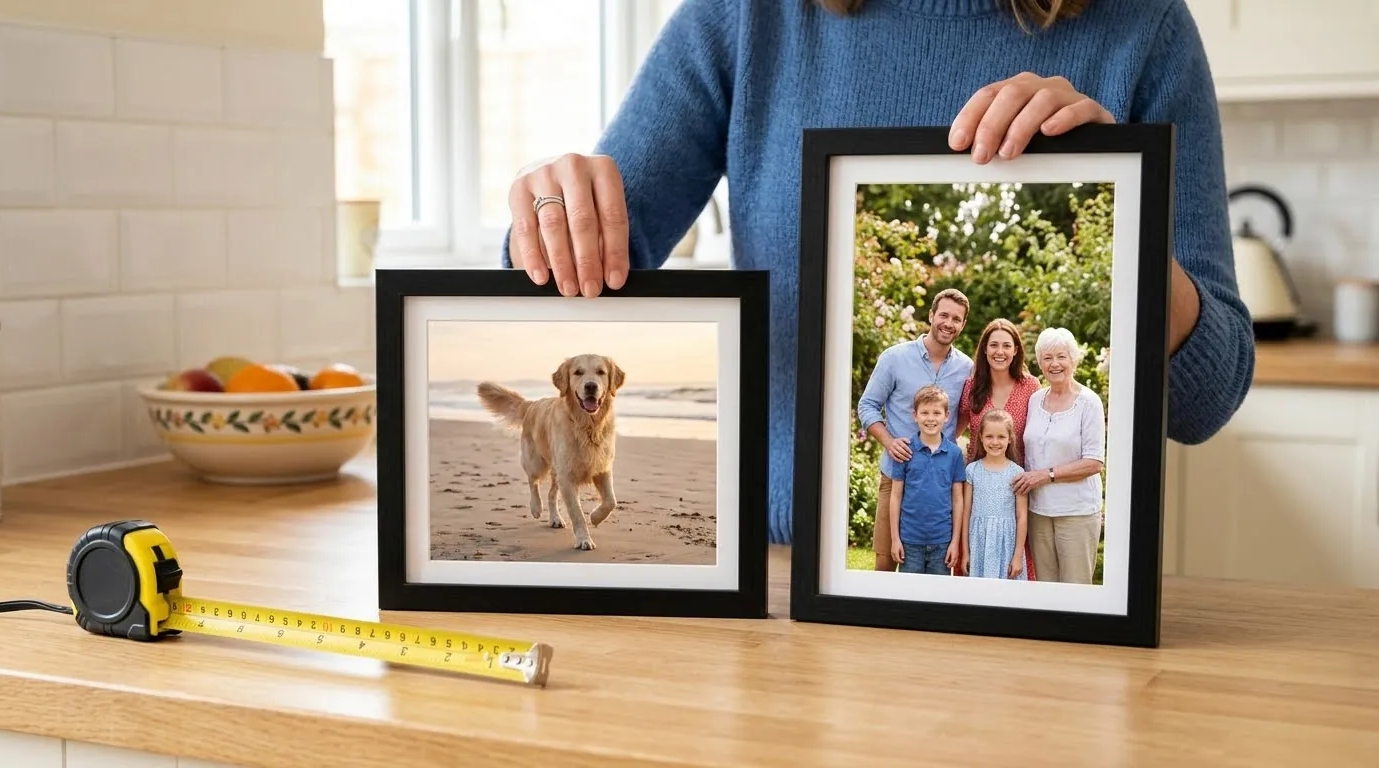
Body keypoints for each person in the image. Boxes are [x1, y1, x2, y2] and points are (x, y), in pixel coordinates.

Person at [498, 0, 1257, 547]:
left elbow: (1207, 397)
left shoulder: (1144, 26)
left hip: (1026, 594)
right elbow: (566, 280)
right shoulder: (742, 18)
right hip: (779, 576)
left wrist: (1119, 206)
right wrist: (547, 222)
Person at [856, 289, 973, 571]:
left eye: (956, 318)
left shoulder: (966, 367)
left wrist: (950, 439)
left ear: (963, 324)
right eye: (943, 315)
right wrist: (889, 441)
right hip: (897, 474)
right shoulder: (895, 358)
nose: (948, 323)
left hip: (940, 483)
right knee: (886, 558)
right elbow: (868, 405)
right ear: (931, 316)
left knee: (939, 562)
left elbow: (966, 412)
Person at [1011, 327, 1106, 584]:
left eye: (1061, 357)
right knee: (1046, 588)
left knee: (1075, 588)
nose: (1055, 364)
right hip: (1039, 511)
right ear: (1040, 363)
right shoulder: (1035, 400)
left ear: (1073, 359)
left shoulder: (1089, 402)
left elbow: (1095, 462)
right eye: (1047, 357)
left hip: (1076, 511)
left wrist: (1046, 475)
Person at [956, 317, 1041, 577]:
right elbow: (955, 431)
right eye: (993, 345)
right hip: (978, 484)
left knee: (1012, 566)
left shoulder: (1030, 386)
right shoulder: (972, 387)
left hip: (1015, 485)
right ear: (984, 349)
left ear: (1016, 350)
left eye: (1006, 345)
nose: (1000, 352)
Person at [886, 385, 965, 575]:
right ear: (915, 415)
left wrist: (955, 542)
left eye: (937, 413)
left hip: (942, 542)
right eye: (925, 413)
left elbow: (958, 499)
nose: (930, 418)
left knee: (939, 599)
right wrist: (895, 539)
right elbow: (896, 496)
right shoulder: (905, 450)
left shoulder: (954, 453)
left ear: (947, 416)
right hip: (910, 541)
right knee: (910, 597)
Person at [963, 408, 1028, 581]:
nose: (995, 442)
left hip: (1006, 544)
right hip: (979, 543)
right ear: (981, 438)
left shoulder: (1017, 473)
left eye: (1001, 437)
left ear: (1010, 439)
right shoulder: (972, 470)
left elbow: (1022, 516)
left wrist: (1017, 556)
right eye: (989, 436)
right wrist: (965, 552)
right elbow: (966, 513)